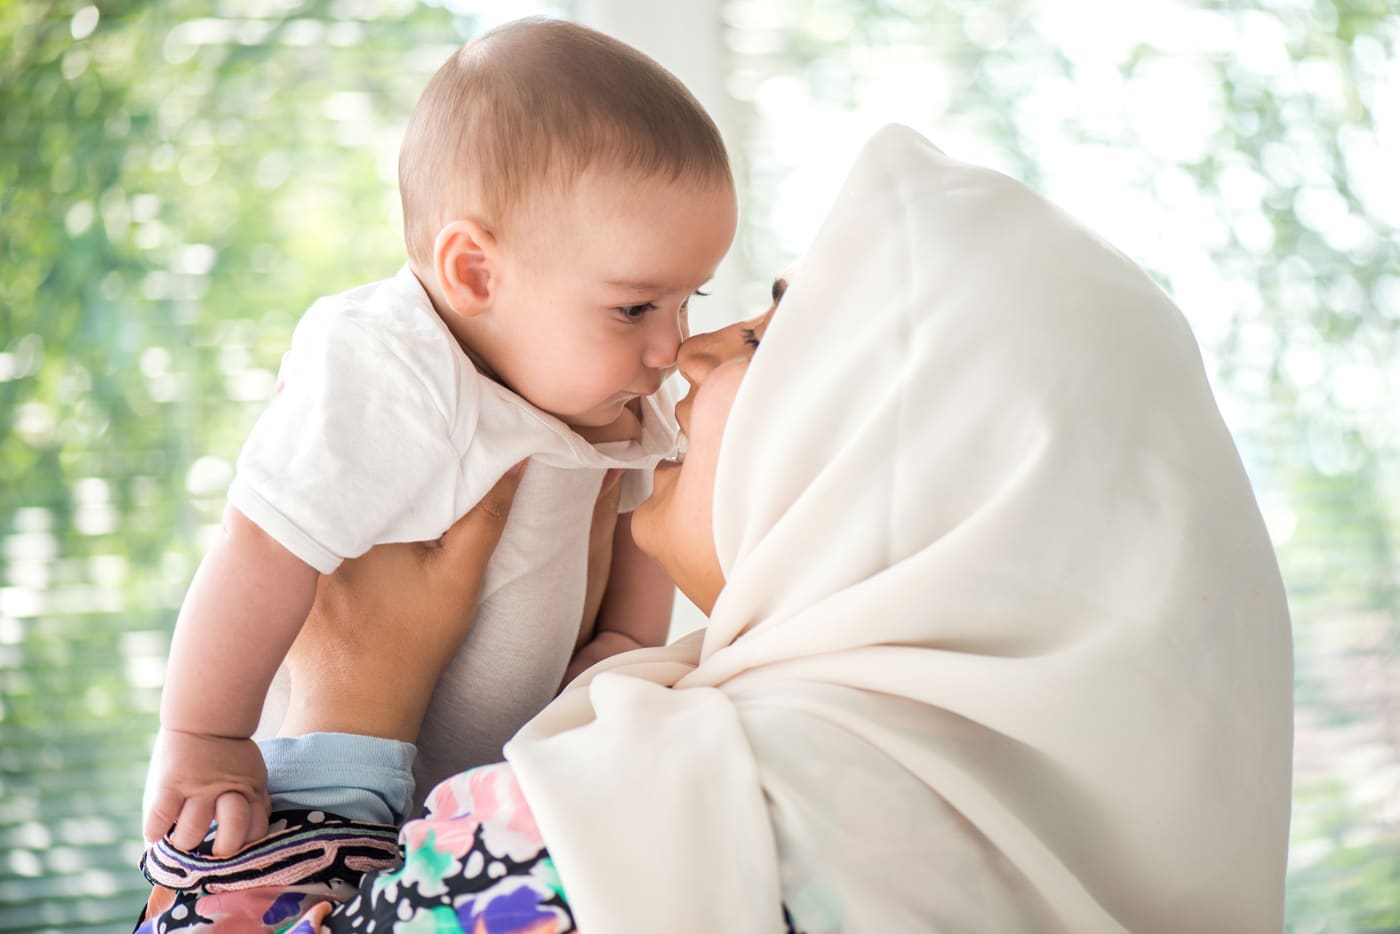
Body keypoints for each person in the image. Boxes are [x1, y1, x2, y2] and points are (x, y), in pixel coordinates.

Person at [137, 124, 1294, 933]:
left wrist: (352, 705)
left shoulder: (654, 828)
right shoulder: (1018, 839)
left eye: (759, 335)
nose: (683, 350)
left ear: (877, 443)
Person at [141, 15, 738, 860]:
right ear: (474, 272)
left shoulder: (616, 390)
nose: (669, 344)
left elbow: (635, 531)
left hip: (480, 812)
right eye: (636, 305)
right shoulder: (391, 364)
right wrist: (205, 736)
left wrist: (616, 659)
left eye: (690, 302)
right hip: (321, 777)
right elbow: (261, 545)